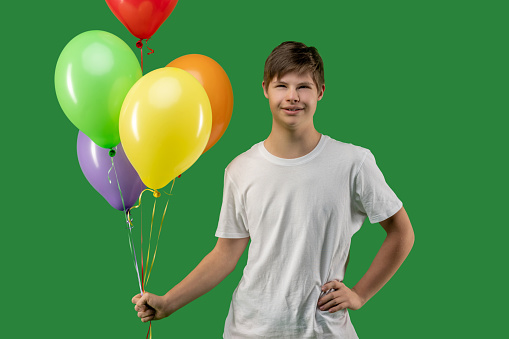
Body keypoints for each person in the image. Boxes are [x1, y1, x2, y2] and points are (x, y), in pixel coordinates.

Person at [132, 41, 415, 338]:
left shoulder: (352, 163)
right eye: (282, 85)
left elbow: (401, 232)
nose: (292, 97)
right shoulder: (240, 169)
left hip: (324, 330)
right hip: (249, 330)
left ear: (320, 92)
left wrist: (359, 294)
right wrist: (168, 302)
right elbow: (225, 252)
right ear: (266, 89)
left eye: (303, 86)